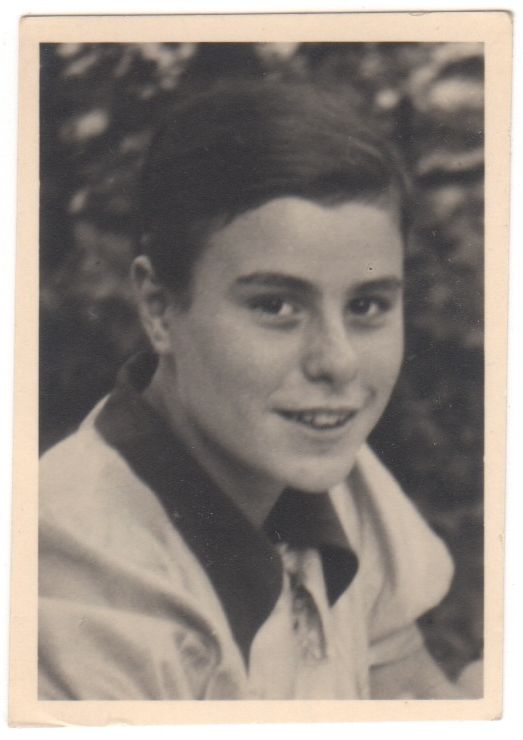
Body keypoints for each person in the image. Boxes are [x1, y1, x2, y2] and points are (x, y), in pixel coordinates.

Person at [39, 78, 473, 700]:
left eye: (367, 306)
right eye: (276, 306)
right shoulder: (73, 581)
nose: (338, 363)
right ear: (159, 308)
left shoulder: (327, 467)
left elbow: (407, 685)